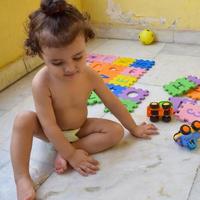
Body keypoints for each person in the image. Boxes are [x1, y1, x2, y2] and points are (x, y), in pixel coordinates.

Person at [10, 0, 158, 199]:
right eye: (57, 62)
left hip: (80, 129)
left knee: (115, 132)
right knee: (23, 119)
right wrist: (72, 156)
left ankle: (68, 150)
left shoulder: (89, 75)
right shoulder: (41, 83)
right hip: (50, 131)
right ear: (40, 55)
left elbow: (111, 101)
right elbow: (49, 126)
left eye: (78, 57)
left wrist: (134, 128)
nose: (70, 68)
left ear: (86, 43)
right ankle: (21, 178)